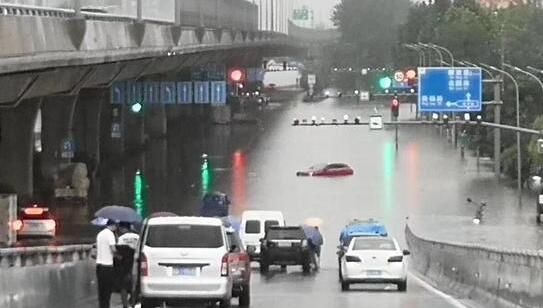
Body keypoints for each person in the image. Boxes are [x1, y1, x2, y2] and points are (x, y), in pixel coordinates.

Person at [116, 222, 140, 308]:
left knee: (124, 287)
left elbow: (118, 251)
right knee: (134, 286)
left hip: (124, 265)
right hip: (136, 264)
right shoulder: (137, 237)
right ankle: (133, 304)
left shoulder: (121, 238)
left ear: (123, 229)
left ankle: (125, 305)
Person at [96, 220, 118, 308]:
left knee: (101, 290)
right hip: (107, 266)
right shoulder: (110, 234)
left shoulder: (100, 234)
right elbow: (113, 249)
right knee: (107, 290)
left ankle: (101, 306)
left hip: (99, 266)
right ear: (113, 225)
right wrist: (118, 256)